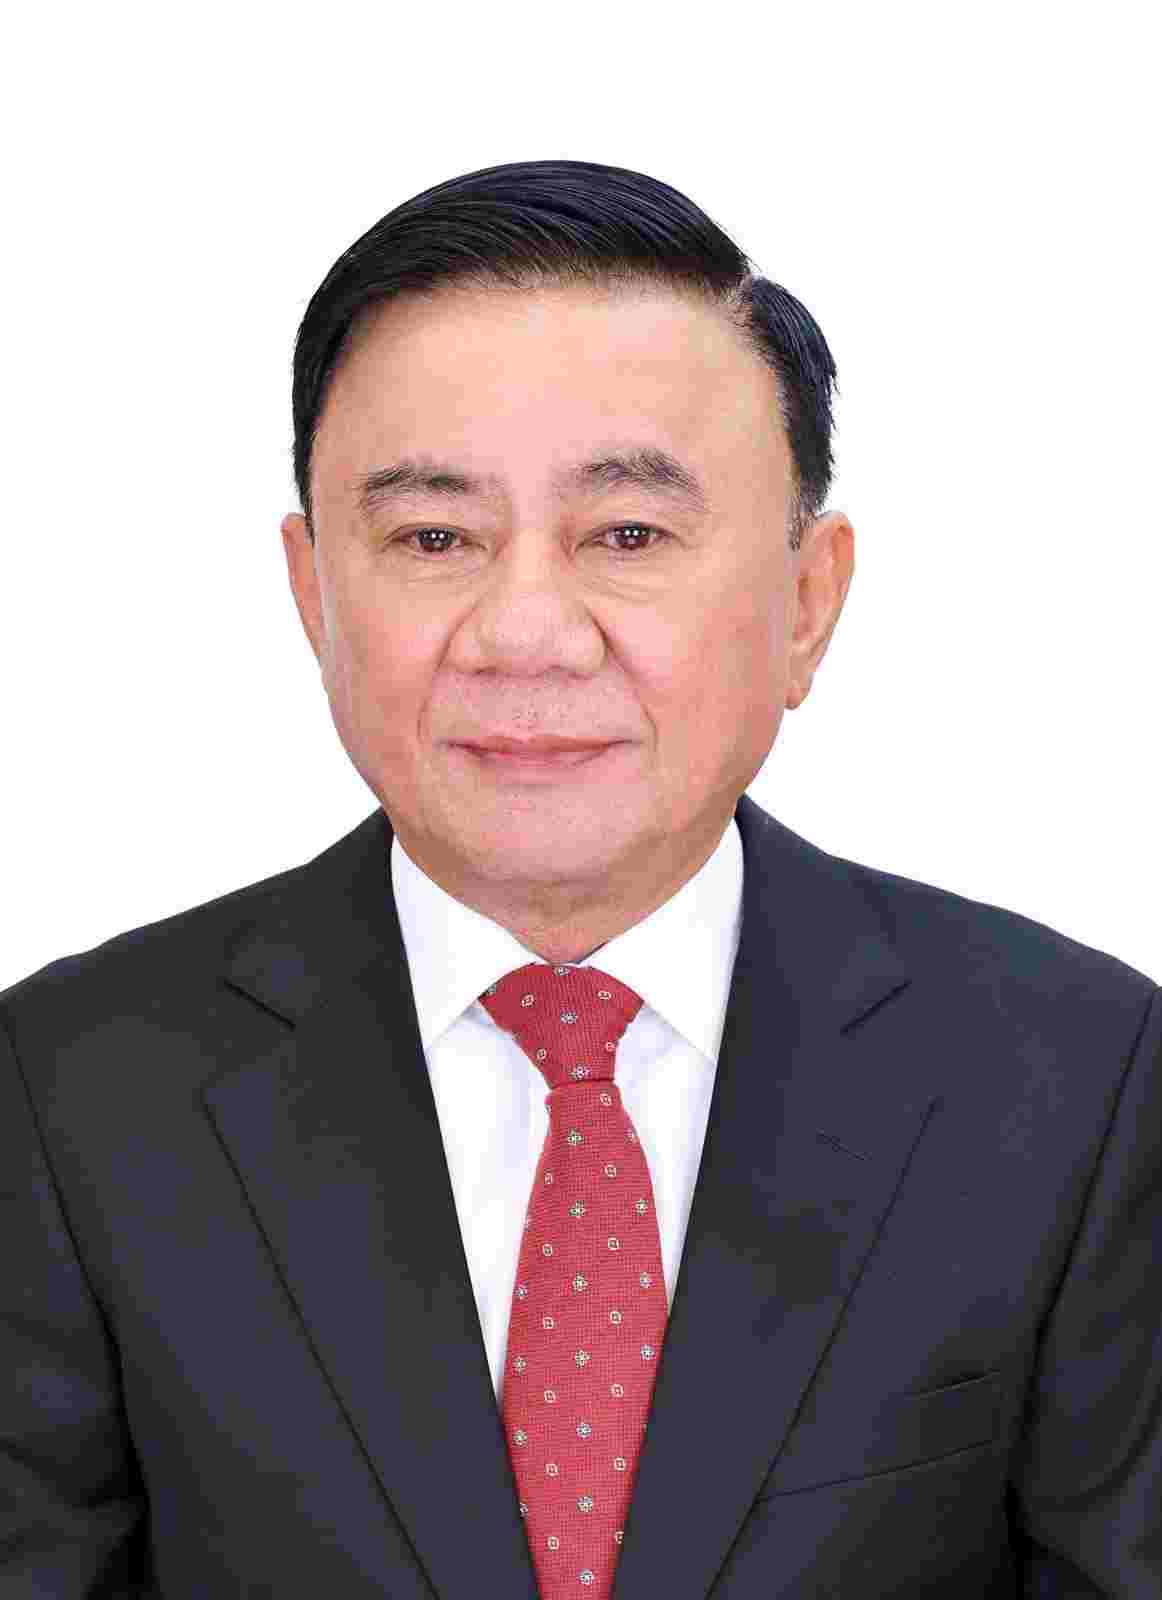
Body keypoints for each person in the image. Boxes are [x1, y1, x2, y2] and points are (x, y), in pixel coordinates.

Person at [1, 158, 1158, 1600]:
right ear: (313, 594)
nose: (525, 631)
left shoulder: (1078, 1078)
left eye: (627, 535)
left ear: (807, 600)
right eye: (434, 538)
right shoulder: (70, 1090)